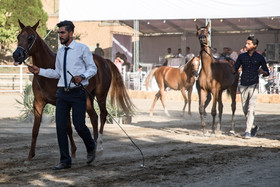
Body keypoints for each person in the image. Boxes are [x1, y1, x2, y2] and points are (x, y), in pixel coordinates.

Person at [28, 20, 97, 170]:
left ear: (71, 33)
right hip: (62, 94)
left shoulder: (82, 49)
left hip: (78, 93)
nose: (60, 35)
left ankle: (91, 146)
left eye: (62, 32)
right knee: (60, 128)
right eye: (59, 33)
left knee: (79, 125)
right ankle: (65, 161)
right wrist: (39, 70)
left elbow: (93, 69)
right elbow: (57, 73)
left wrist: (83, 76)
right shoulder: (60, 52)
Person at [232, 36, 269, 139]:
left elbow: (267, 72)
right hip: (243, 84)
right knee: (244, 109)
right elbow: (234, 69)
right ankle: (253, 126)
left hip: (254, 85)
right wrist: (234, 70)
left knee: (250, 108)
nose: (246, 45)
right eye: (246, 43)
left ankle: (247, 131)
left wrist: (263, 72)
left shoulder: (260, 57)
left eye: (248, 44)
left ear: (254, 46)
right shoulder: (241, 56)